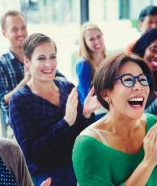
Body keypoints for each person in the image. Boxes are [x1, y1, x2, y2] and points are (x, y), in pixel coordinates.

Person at [72, 53, 157, 186]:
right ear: (106, 94)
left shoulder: (153, 123)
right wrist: (147, 163)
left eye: (142, 80)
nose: (139, 86)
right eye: (128, 80)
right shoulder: (87, 146)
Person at [9, 33, 98, 186]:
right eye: (41, 58)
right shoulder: (19, 100)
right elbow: (32, 154)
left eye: (52, 57)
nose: (49, 64)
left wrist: (86, 114)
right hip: (47, 173)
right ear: (27, 62)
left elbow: (80, 135)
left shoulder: (67, 88)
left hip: (77, 162)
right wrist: (65, 122)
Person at [0, 10, 65, 138]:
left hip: (49, 115)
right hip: (20, 125)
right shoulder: (0, 64)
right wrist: (26, 80)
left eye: (23, 28)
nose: (21, 33)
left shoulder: (39, 55)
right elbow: (3, 102)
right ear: (4, 33)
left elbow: (61, 80)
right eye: (14, 29)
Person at [76, 22, 107, 119]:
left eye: (98, 36)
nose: (97, 41)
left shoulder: (107, 59)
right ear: (85, 43)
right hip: (96, 111)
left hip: (110, 106)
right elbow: (85, 99)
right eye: (91, 39)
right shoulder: (83, 64)